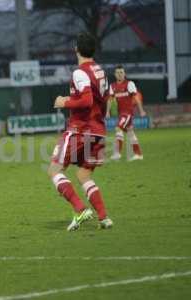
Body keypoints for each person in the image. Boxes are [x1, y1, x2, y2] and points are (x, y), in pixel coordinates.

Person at [50, 32, 113, 231]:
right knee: (84, 175)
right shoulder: (101, 71)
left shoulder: (80, 72)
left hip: (80, 129)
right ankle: (104, 218)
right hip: (99, 131)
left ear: (76, 48)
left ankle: (79, 209)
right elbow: (105, 100)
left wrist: (64, 102)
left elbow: (87, 101)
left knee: (54, 170)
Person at [107, 66, 146, 161]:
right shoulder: (112, 86)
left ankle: (117, 153)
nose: (120, 74)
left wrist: (141, 110)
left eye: (121, 72)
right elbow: (110, 100)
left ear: (124, 74)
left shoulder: (129, 84)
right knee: (130, 133)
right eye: (118, 72)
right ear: (115, 74)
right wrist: (107, 111)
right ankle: (139, 154)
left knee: (118, 128)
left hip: (127, 113)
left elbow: (136, 98)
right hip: (121, 113)